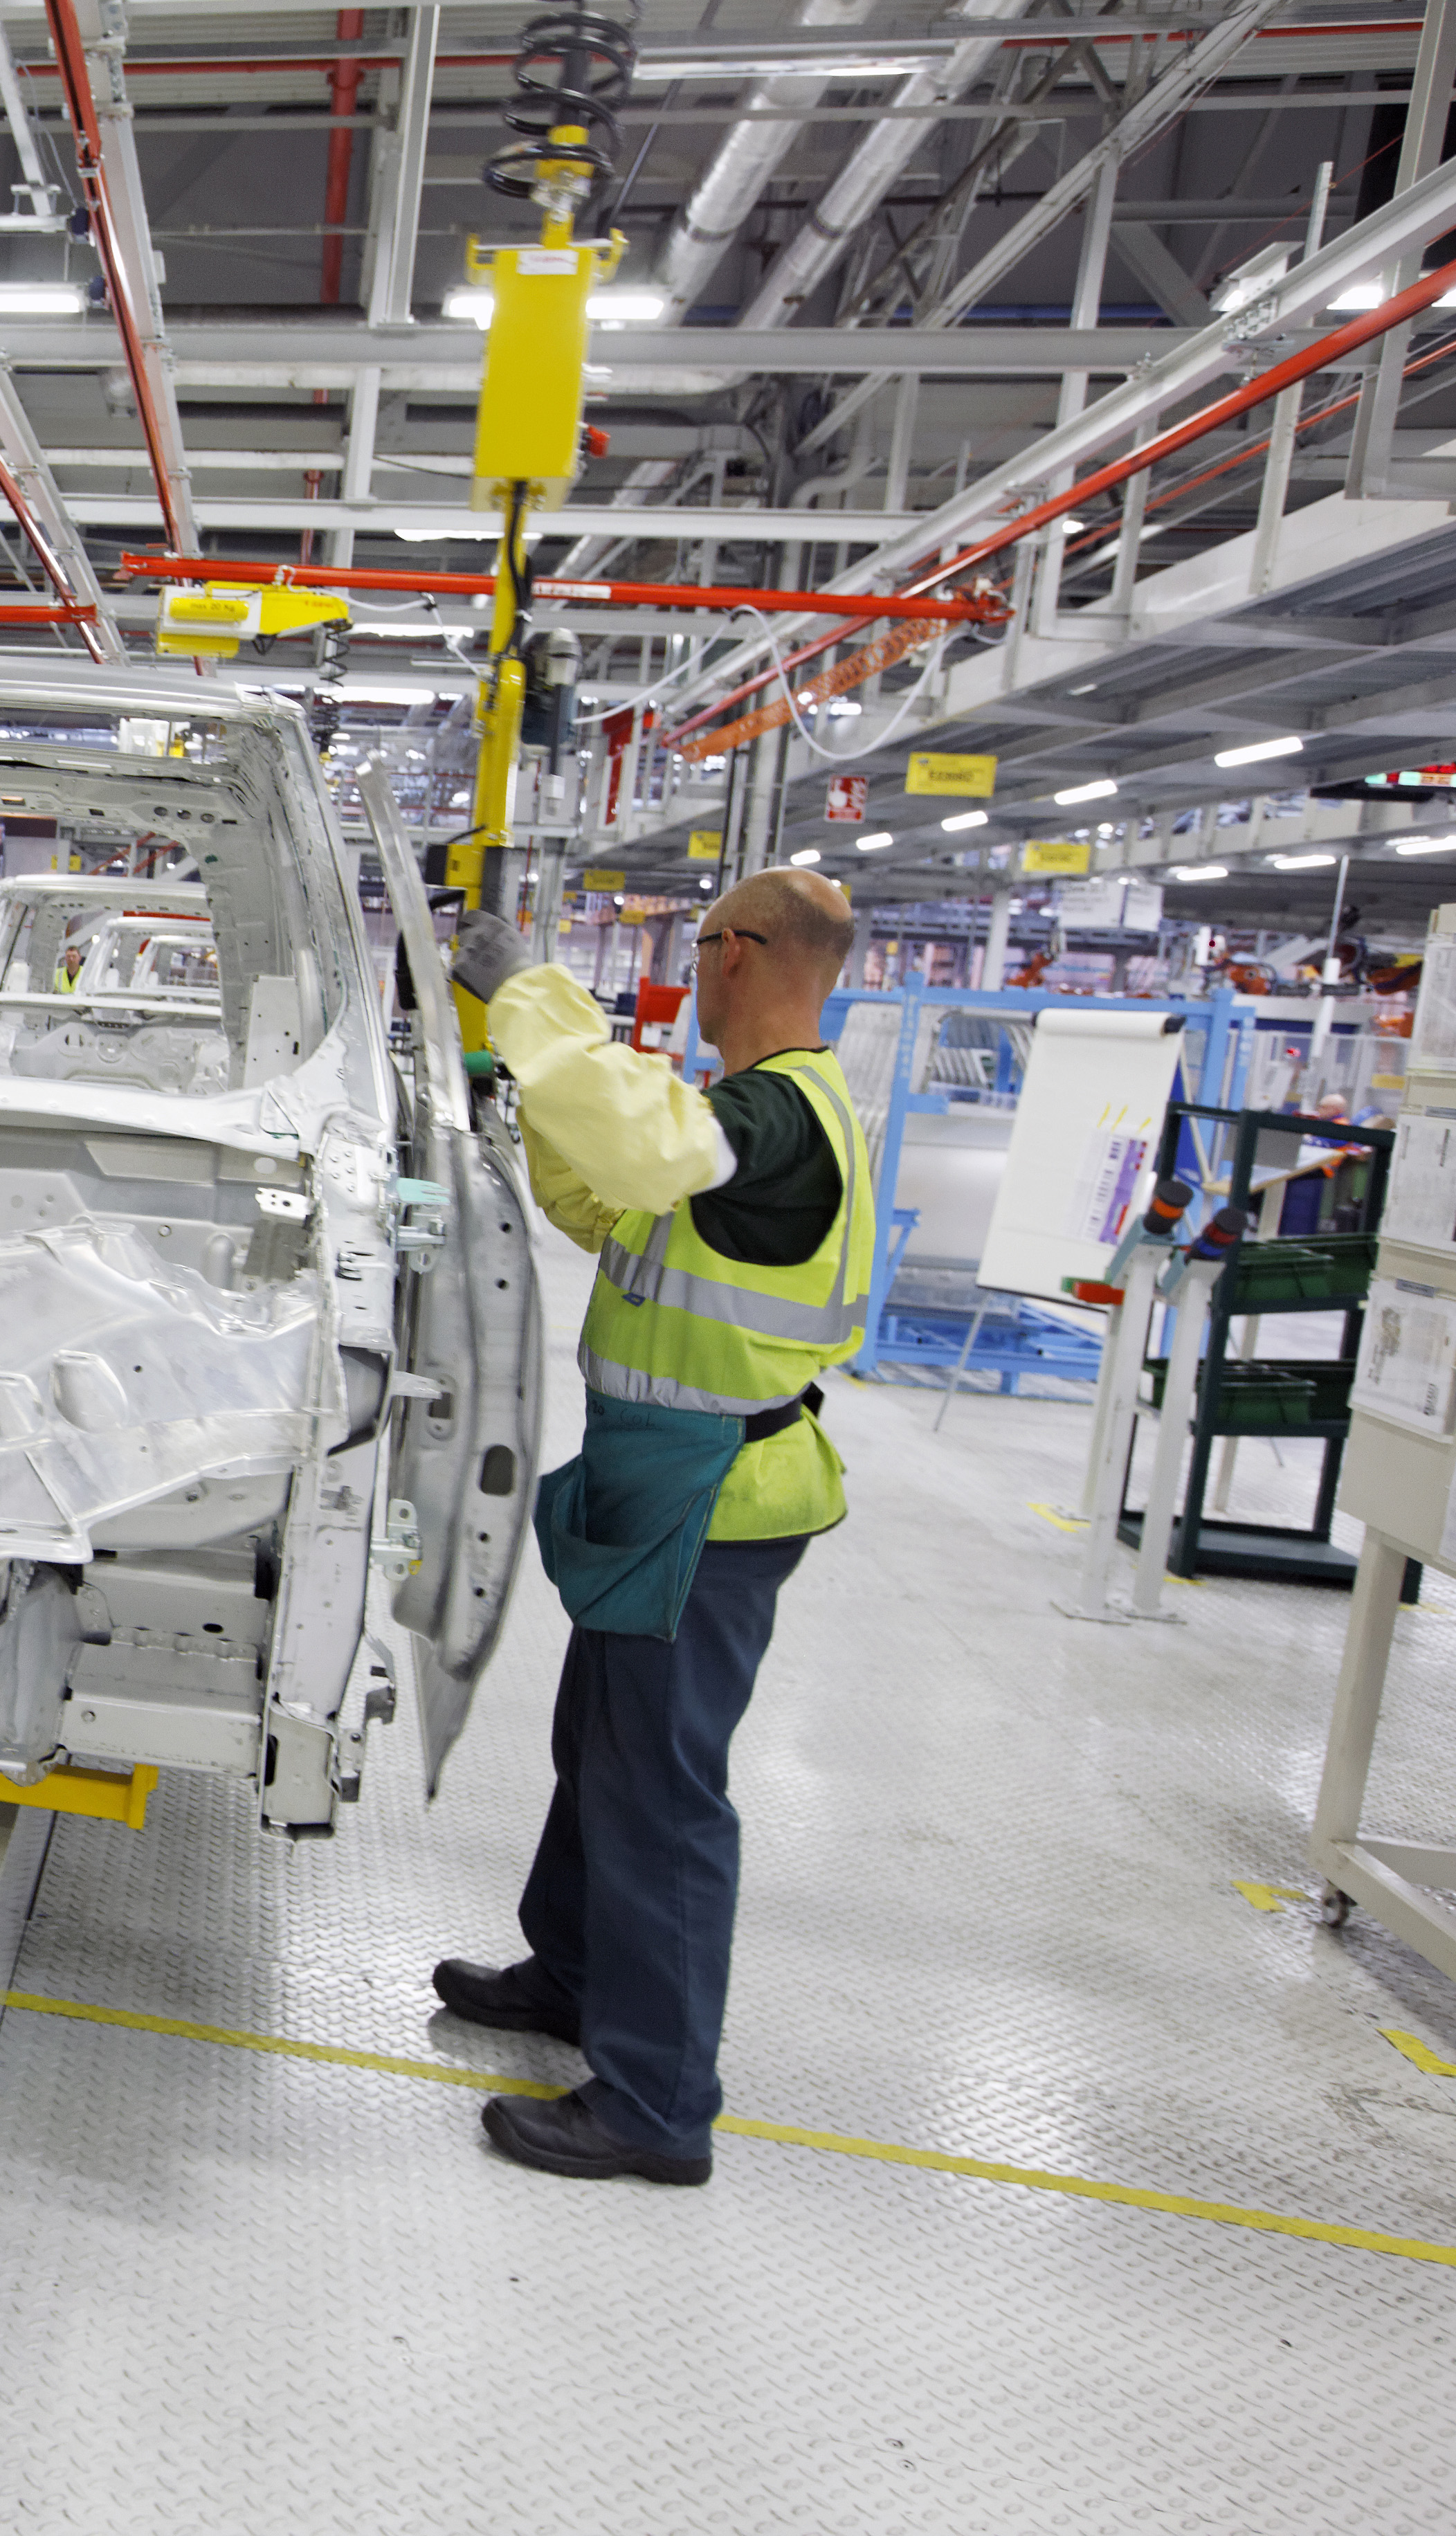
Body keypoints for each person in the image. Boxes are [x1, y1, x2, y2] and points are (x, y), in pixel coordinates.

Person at [433, 867, 873, 2186]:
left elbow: (651, 1150)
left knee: (661, 1795)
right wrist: (513, 1110)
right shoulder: (752, 1120)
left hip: (715, 1497)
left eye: (700, 946)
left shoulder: (781, 1113)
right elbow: (621, 1209)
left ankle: (656, 2102)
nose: (694, 968)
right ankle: (571, 1976)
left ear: (738, 954)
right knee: (601, 1747)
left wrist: (527, 993)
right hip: (668, 1479)